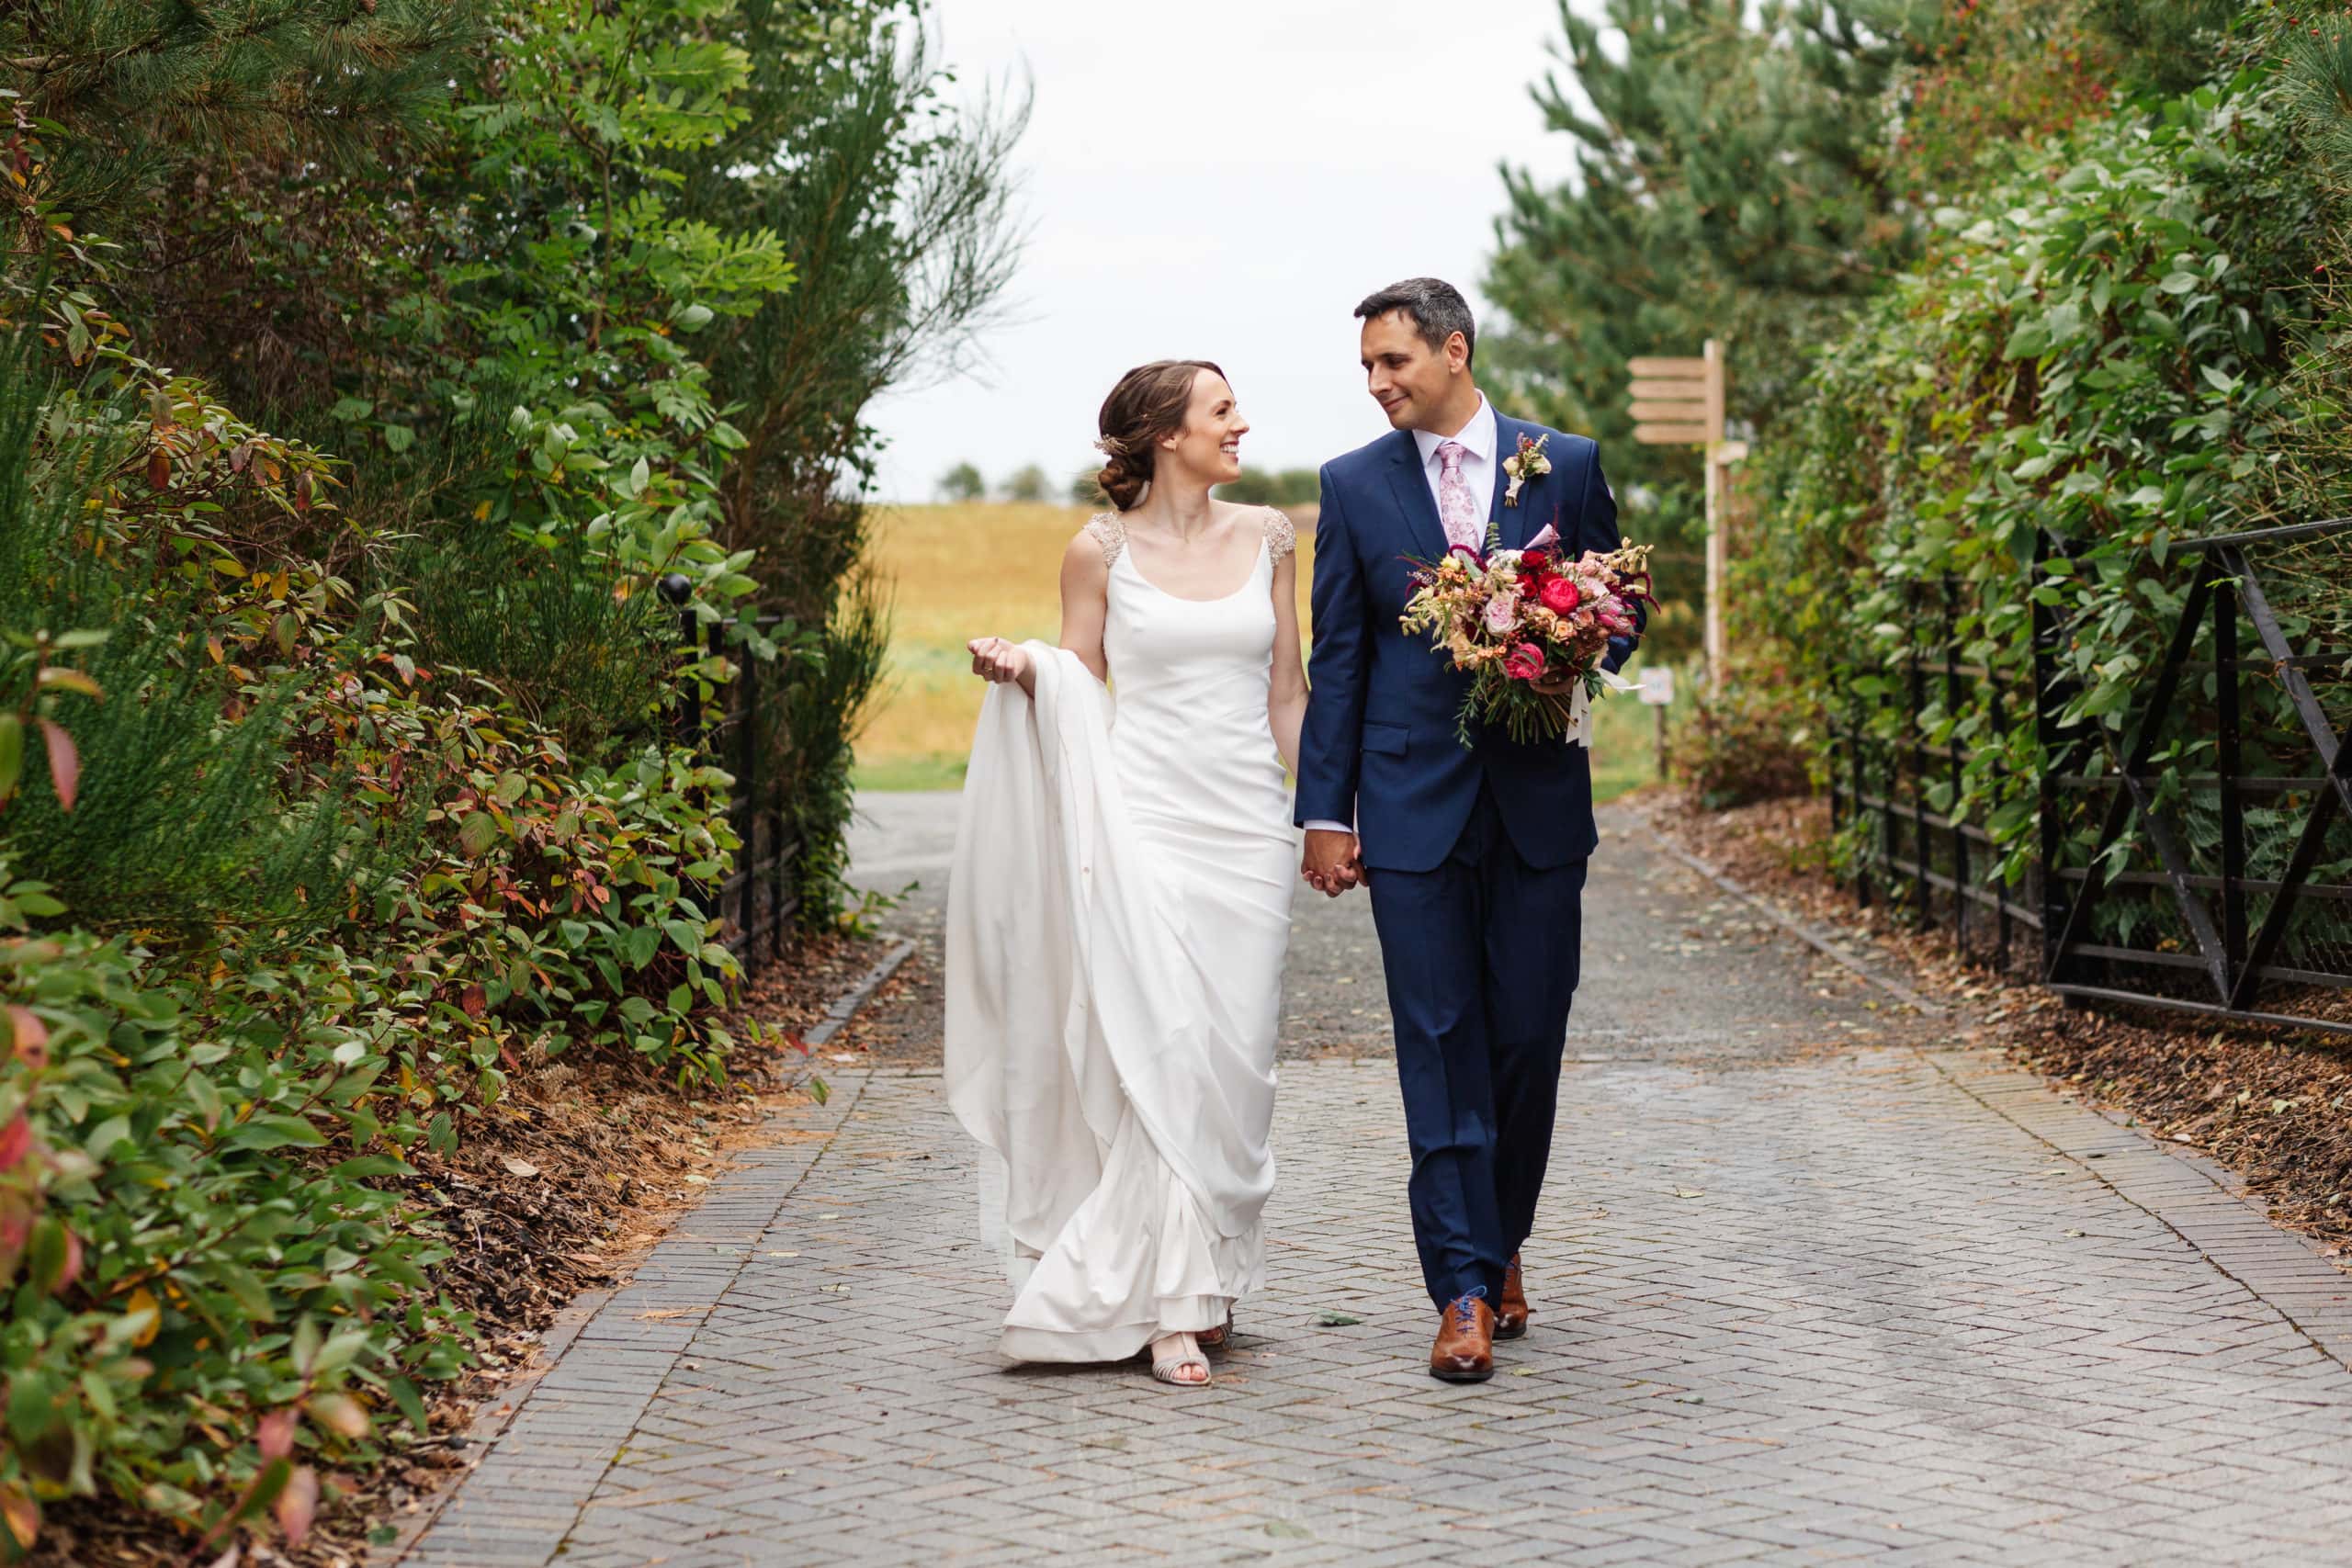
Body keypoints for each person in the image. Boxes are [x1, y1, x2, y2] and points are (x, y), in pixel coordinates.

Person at [1295, 277, 1642, 1382]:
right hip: (1406, 811)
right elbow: (1339, 658)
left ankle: (1503, 1240)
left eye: (1392, 361)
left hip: (1538, 803)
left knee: (1527, 1038)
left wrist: (1574, 635)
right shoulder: (1351, 486)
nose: (1376, 382)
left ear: (1453, 351)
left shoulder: (1566, 463)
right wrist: (1324, 812)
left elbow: (1622, 610)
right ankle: (1461, 1286)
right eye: (1366, 367)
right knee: (1436, 1043)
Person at [944, 360, 1307, 1389]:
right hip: (1143, 827)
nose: (1241, 423)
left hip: (1245, 834)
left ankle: (1204, 1272)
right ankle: (1171, 1311)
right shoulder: (1096, 551)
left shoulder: (1272, 537)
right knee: (1163, 1052)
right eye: (1221, 409)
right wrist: (1023, 669)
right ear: (1163, 435)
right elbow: (1079, 680)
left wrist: (1328, 810)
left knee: (1236, 1065)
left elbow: (1288, 690)